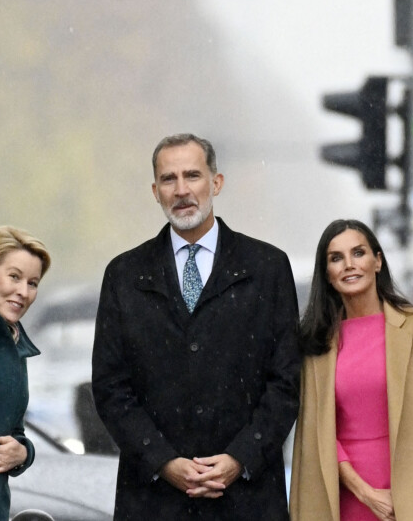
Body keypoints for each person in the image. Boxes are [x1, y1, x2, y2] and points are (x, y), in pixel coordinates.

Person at [92, 133, 301, 520]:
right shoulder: (125, 275)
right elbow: (110, 387)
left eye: (193, 175)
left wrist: (240, 457)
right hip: (153, 500)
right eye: (169, 179)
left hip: (247, 499)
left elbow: (286, 380)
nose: (182, 190)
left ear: (216, 183)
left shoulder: (266, 268)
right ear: (155, 191)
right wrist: (163, 460)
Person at [289, 219, 413, 521]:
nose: (349, 265)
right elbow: (318, 431)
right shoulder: (317, 345)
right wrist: (366, 492)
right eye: (336, 258)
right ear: (327, 274)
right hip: (346, 498)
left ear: (377, 261)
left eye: (358, 253)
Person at [0, 226, 51, 521]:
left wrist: (23, 453)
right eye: (14, 276)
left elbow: (13, 431)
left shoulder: (14, 344)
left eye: (33, 283)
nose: (23, 292)